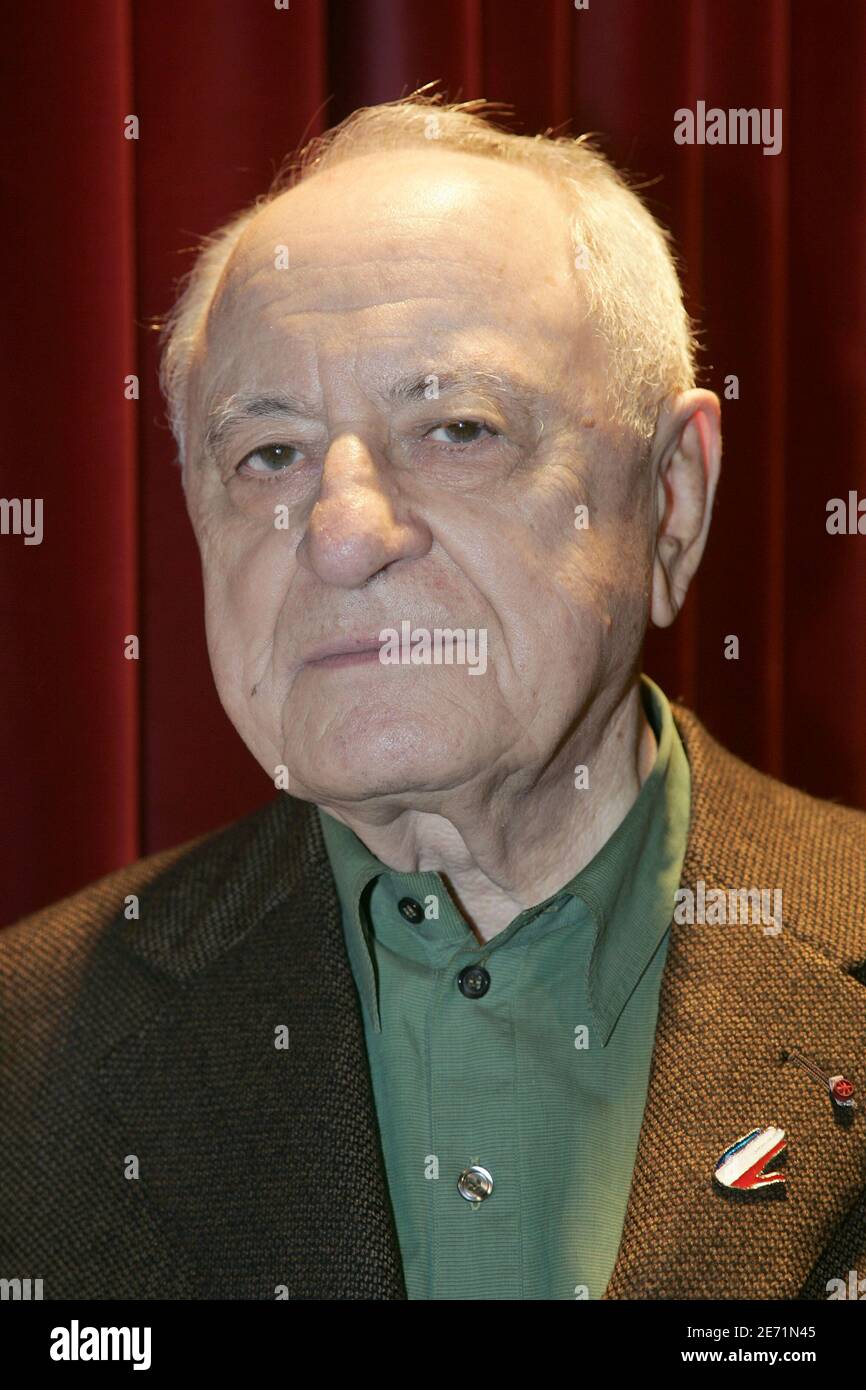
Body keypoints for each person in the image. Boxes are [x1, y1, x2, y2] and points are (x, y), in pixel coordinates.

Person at [2, 94, 864, 1301]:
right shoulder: (23, 1046)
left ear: (669, 499)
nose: (342, 535)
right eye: (269, 455)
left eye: (456, 427)